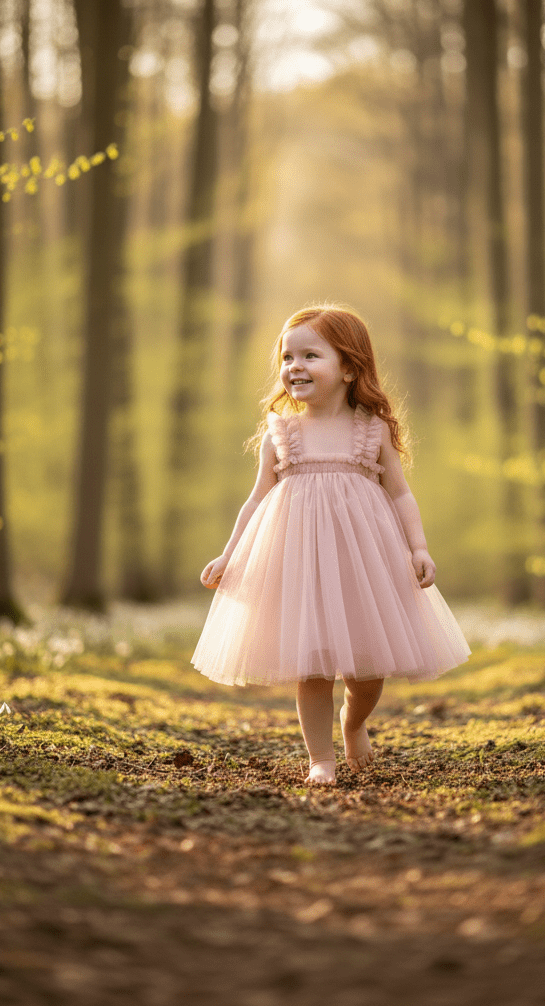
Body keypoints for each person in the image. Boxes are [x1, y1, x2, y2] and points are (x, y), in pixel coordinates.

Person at [193, 304, 470, 785]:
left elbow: (400, 493)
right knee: (312, 664)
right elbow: (256, 498)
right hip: (301, 562)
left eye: (310, 356)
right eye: (287, 357)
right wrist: (230, 553)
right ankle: (319, 758)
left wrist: (419, 547)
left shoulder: (372, 430)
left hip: (364, 562)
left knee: (368, 669)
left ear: (349, 368)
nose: (294, 367)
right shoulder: (281, 433)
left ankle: (354, 721)